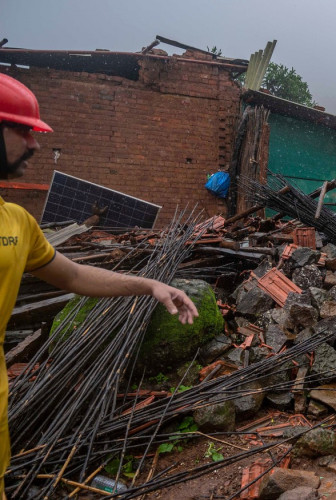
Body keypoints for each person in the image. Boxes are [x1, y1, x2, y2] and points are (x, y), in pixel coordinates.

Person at [0, 73, 199, 494]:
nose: (35, 145)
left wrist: (149, 286)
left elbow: (72, 274)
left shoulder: (16, 221)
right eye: (22, 130)